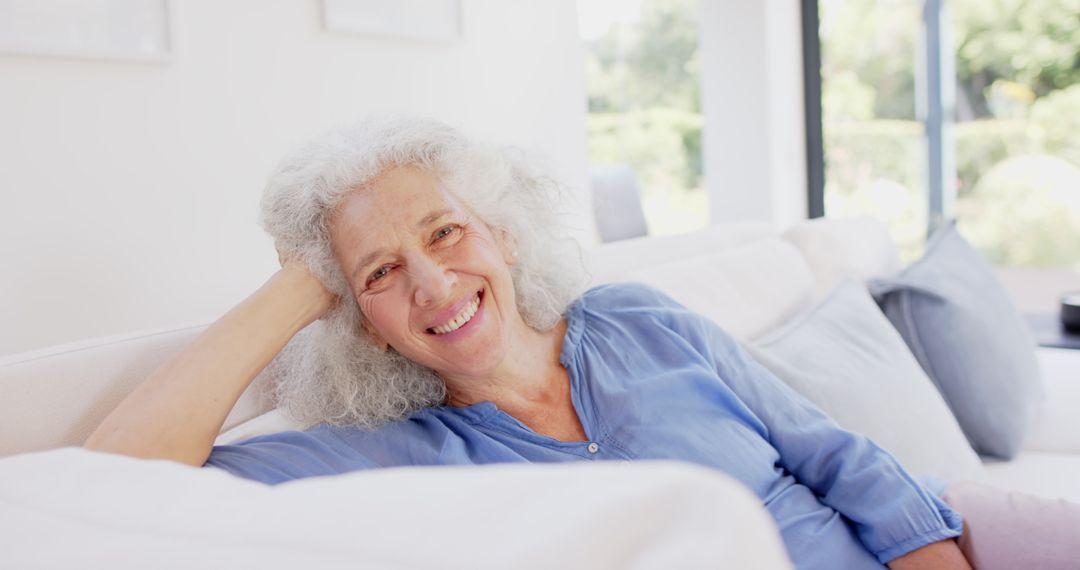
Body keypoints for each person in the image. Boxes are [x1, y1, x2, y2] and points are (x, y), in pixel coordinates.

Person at [85, 117, 1004, 569]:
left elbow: (844, 464)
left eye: (445, 232)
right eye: (379, 274)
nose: (434, 285)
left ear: (506, 232)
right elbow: (110, 484)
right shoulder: (390, 456)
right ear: (359, 321)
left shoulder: (640, 322)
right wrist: (301, 284)